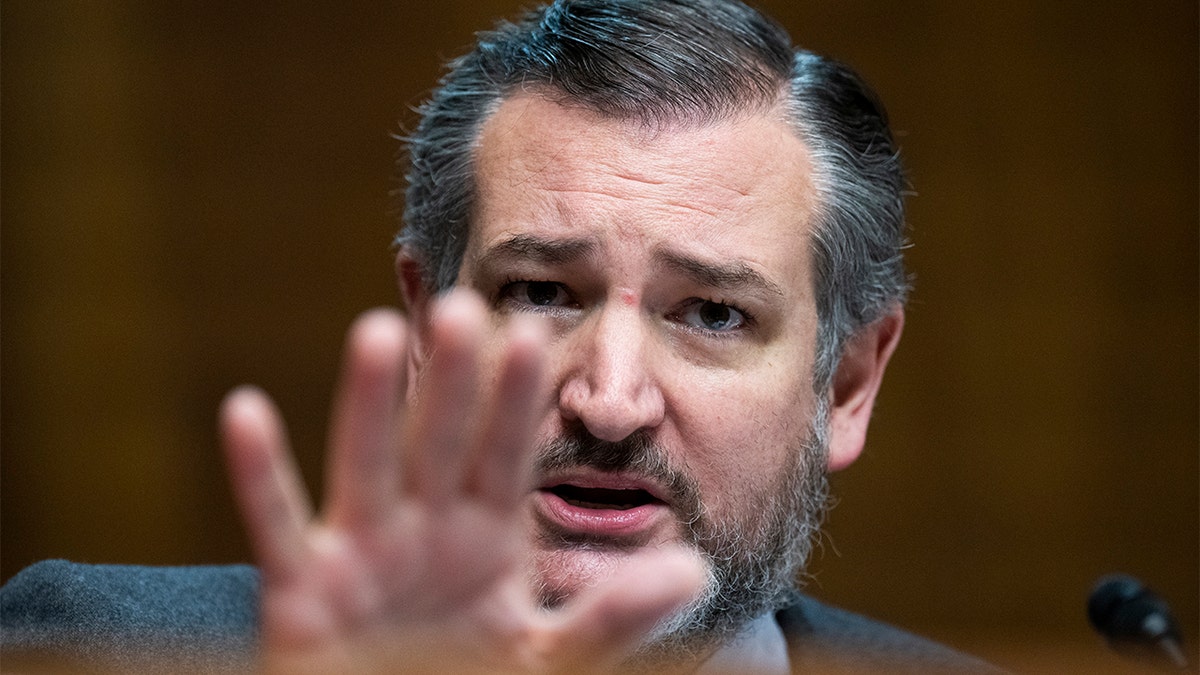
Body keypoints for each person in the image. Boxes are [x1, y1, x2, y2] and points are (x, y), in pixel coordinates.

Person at [1, 0, 997, 672]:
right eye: (539, 292)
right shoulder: (95, 651)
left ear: (846, 386)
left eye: (713, 314)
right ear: (429, 335)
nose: (609, 401)